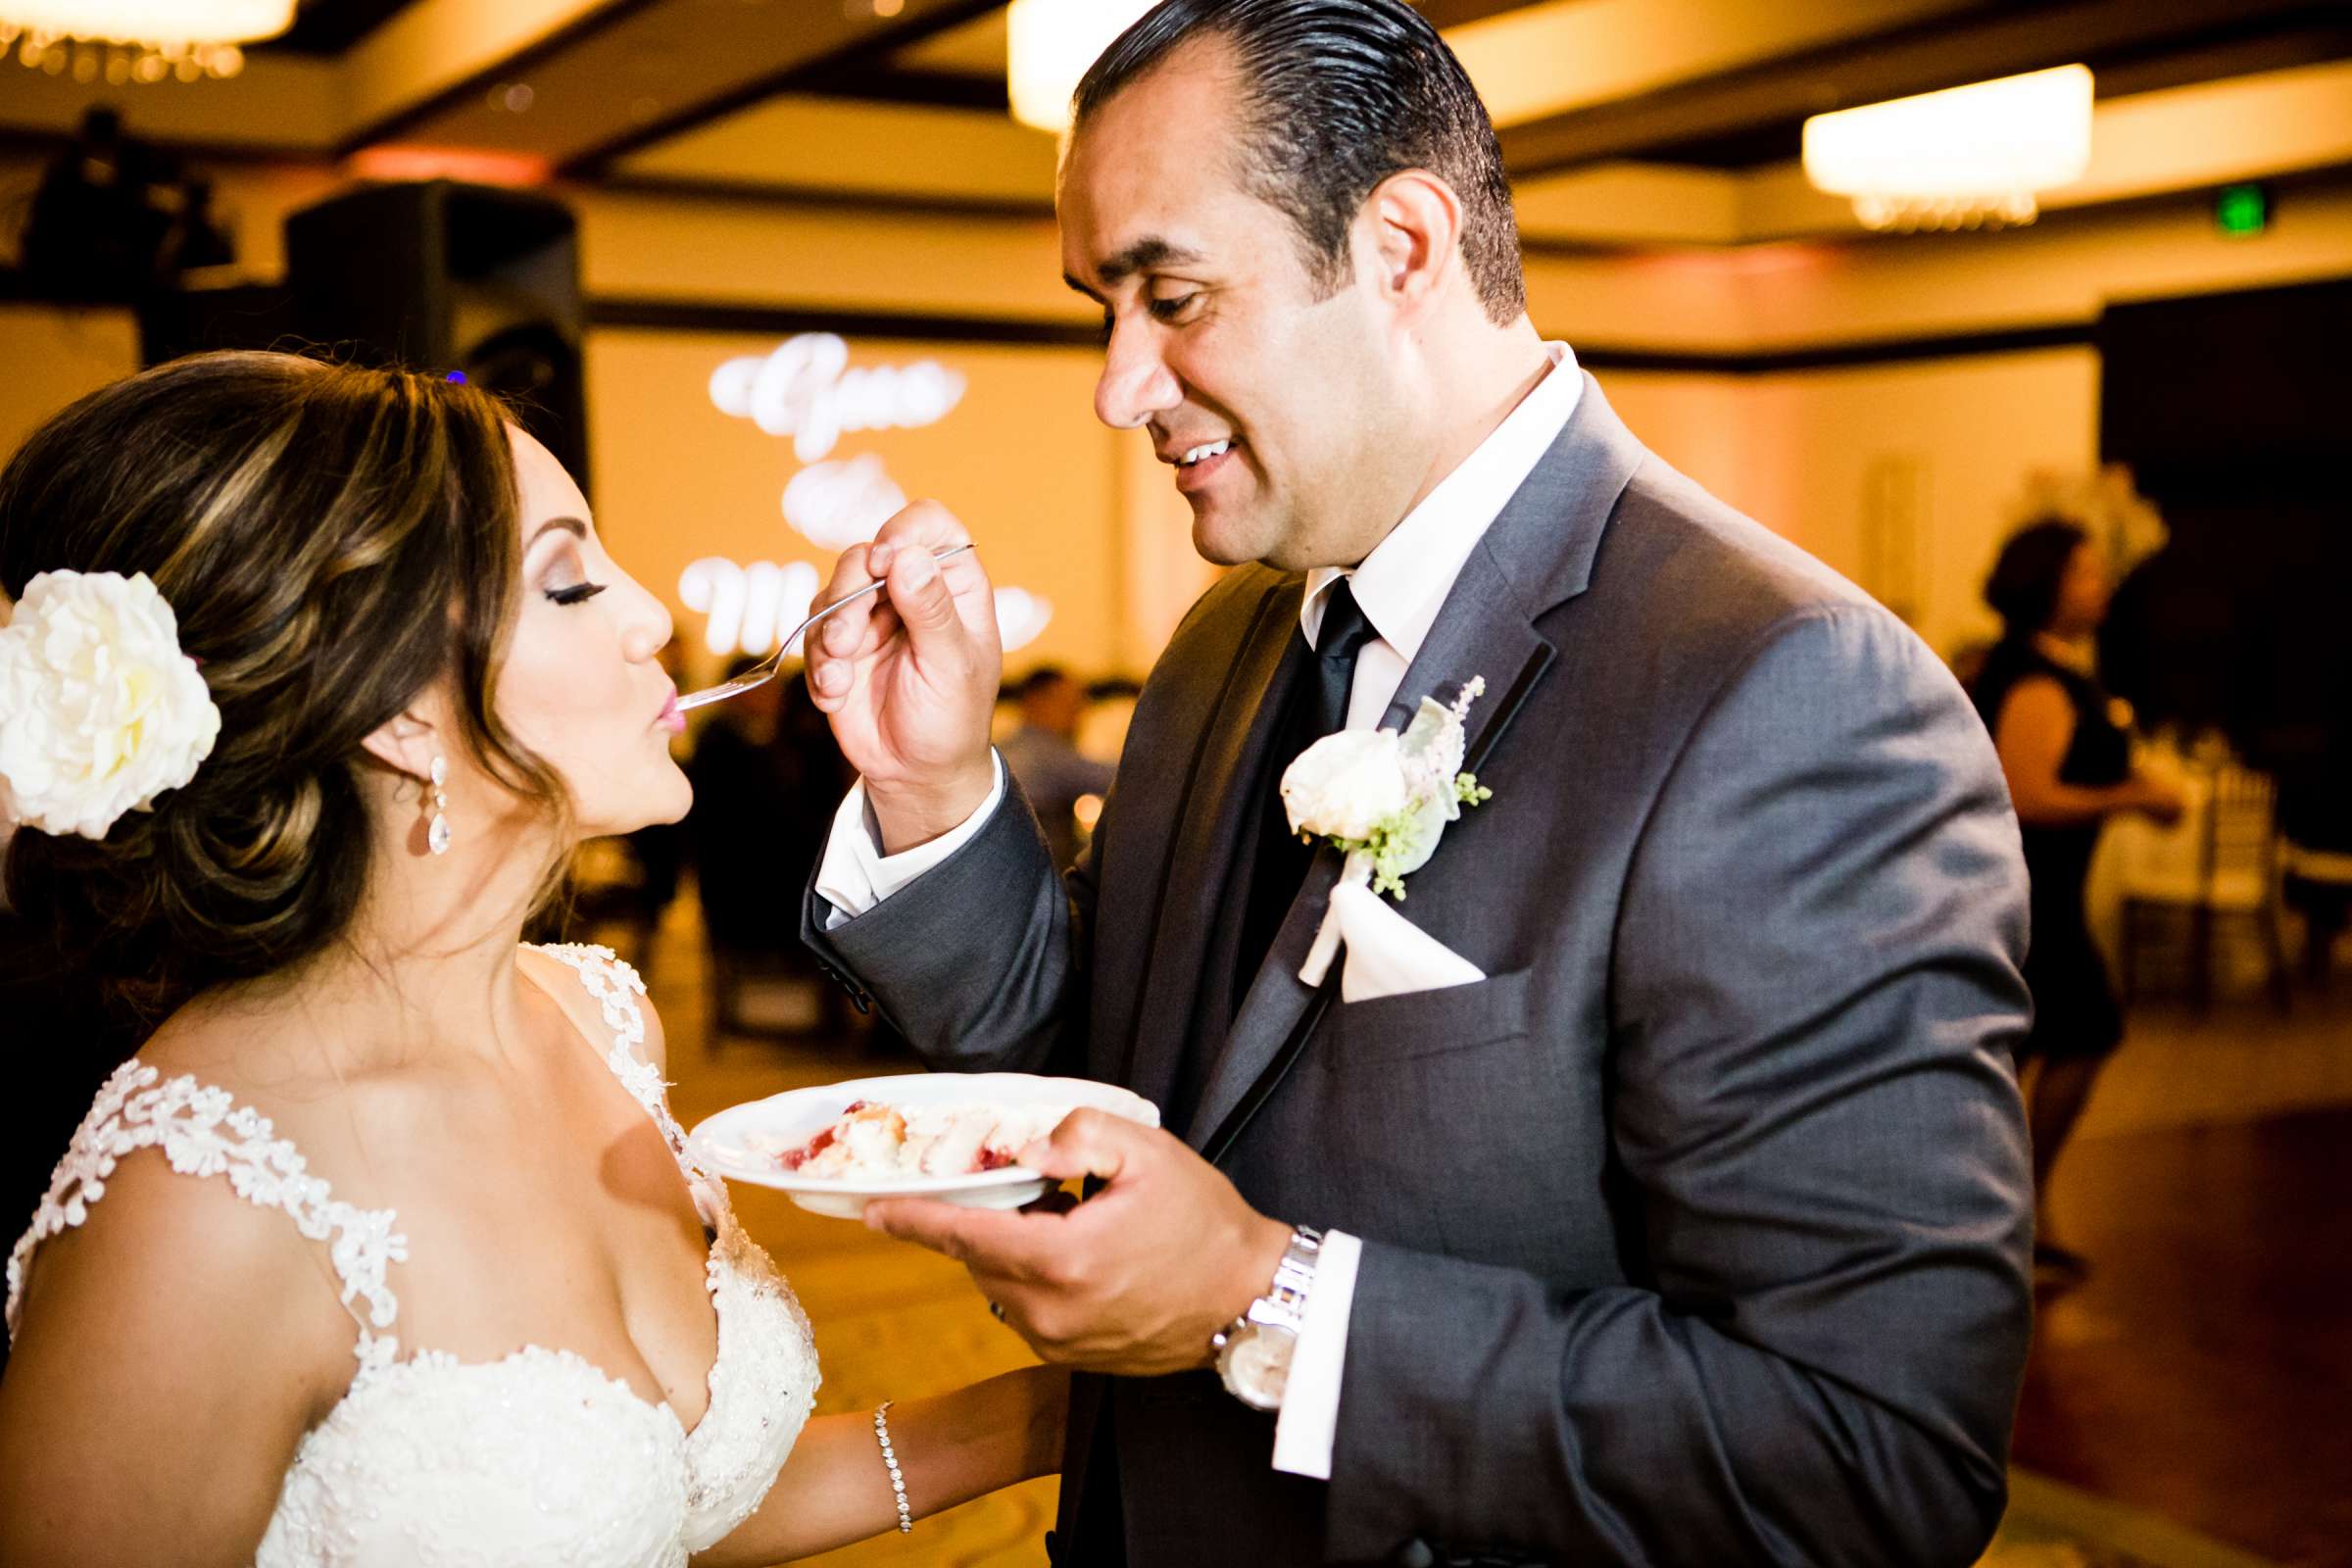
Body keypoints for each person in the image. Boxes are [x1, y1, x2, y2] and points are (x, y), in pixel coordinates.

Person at [798, 2, 2035, 1563]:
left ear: (1398, 246)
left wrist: (1268, 1294)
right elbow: (1108, 1083)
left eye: (1172, 296)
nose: (1118, 387)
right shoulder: (1231, 639)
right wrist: (936, 792)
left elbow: (1870, 1454)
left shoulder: (1784, 693)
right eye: (1101, 309)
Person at [0, 352, 1064, 1564]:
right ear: (392, 704)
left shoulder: (600, 1019)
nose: (652, 614)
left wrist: (1071, 1411)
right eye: (568, 583)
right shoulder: (202, 1196)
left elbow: (653, 1500)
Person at [1970, 518, 2186, 1285]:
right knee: (2084, 1026)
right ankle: (2009, 1217)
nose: (2101, 588)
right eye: (2086, 574)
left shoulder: (2049, 668)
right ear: (2047, 585)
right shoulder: (2034, 678)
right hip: (2026, 891)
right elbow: (2025, 795)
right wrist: (2131, 794)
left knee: (2025, 1047)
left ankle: (2004, 1221)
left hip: (2034, 890)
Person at [997, 665, 1119, 870]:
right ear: (1037, 701)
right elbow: (1117, 779)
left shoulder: (1003, 748)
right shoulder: (1043, 753)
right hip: (1030, 871)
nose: (1079, 713)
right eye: (1070, 703)